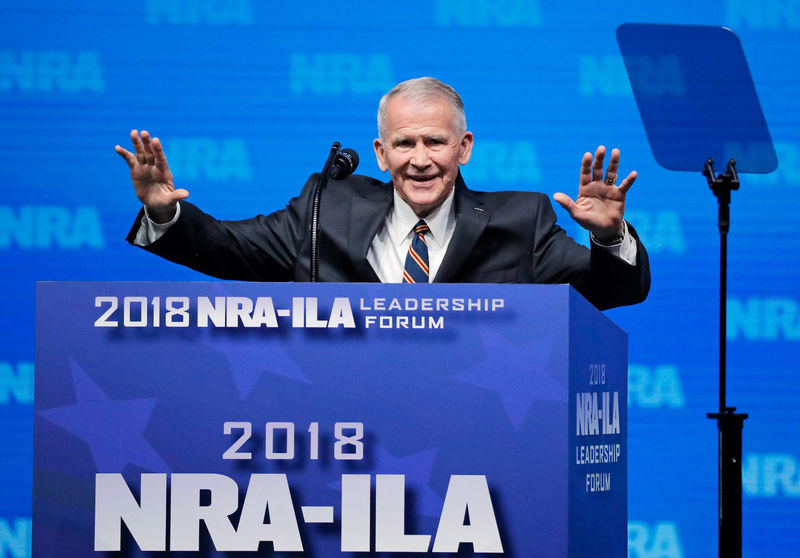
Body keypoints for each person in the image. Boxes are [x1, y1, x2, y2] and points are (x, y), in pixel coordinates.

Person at [116, 77, 649, 310]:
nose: (420, 159)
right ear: (379, 153)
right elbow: (231, 248)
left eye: (435, 142)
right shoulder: (328, 206)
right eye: (404, 143)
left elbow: (611, 292)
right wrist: (167, 215)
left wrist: (608, 239)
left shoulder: (521, 220)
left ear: (464, 148)